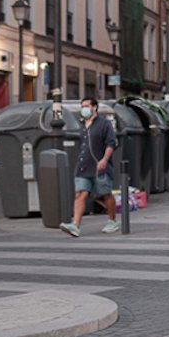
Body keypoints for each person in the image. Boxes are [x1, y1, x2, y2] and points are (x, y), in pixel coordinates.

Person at [61, 96, 119, 237]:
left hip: (100, 167)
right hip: (83, 166)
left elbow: (111, 143)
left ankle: (112, 221)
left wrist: (105, 159)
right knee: (80, 194)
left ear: (94, 107)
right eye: (83, 106)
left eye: (87, 106)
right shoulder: (83, 126)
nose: (84, 109)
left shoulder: (104, 124)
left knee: (105, 194)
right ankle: (75, 225)